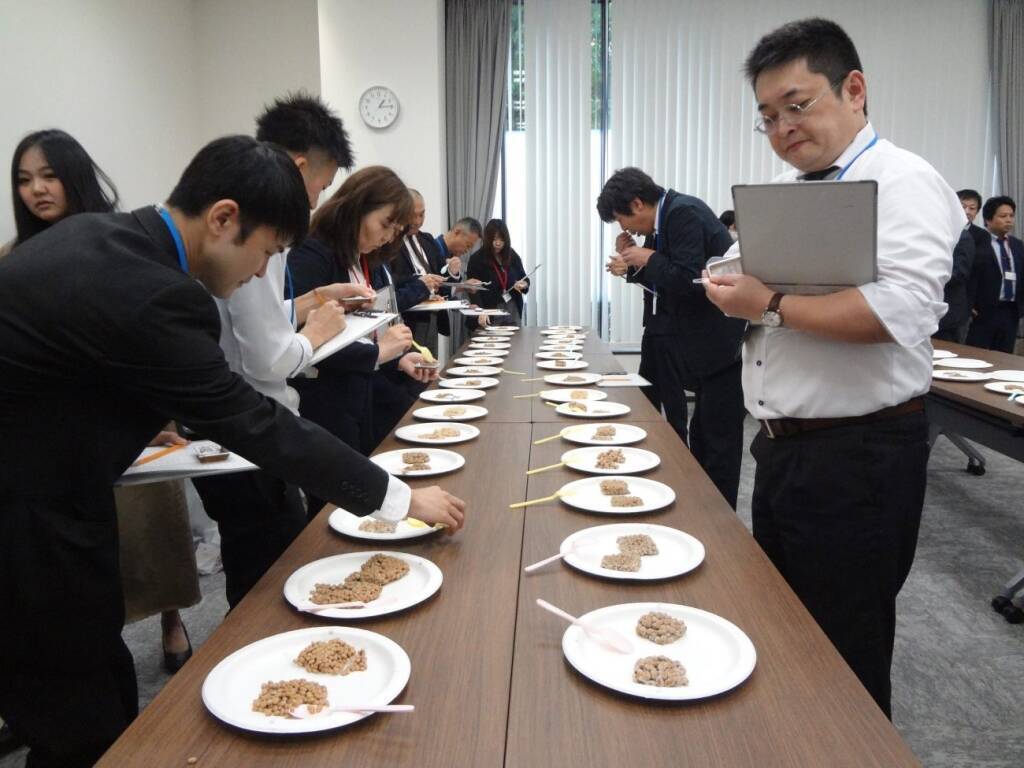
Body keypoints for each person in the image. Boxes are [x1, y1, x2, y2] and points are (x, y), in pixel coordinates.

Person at [0, 135, 465, 768]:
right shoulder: (158, 292)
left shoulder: (110, 242)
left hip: (49, 501)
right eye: (265, 254)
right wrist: (400, 498)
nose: (257, 275)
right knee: (82, 726)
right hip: (27, 526)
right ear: (223, 218)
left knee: (97, 694)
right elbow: (255, 422)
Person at [704, 18, 961, 718]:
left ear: (854, 89)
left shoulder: (902, 180)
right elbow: (777, 289)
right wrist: (742, 289)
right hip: (786, 451)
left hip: (858, 457)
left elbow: (901, 312)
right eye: (767, 117)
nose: (783, 127)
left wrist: (772, 302)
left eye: (797, 104)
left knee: (845, 651)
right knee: (788, 634)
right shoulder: (801, 188)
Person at [7, 129, 200, 673]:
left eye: (49, 176)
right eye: (24, 181)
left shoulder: (120, 245)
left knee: (153, 528)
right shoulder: (14, 260)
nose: (37, 190)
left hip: (137, 422)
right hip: (61, 445)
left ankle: (171, 618)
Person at [190, 92, 368, 608]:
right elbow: (265, 355)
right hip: (248, 431)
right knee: (269, 581)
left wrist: (313, 300)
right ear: (296, 167)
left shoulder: (244, 219)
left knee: (262, 562)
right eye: (319, 185)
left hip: (241, 430)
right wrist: (317, 335)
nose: (315, 202)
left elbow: (252, 321)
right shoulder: (254, 226)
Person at [599, 167, 747, 508]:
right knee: (701, 436)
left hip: (719, 344)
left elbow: (688, 279)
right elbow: (663, 283)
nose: (624, 228)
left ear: (637, 203)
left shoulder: (683, 214)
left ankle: (719, 521)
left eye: (621, 219)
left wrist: (647, 257)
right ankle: (697, 506)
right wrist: (633, 264)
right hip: (692, 341)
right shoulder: (662, 222)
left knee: (717, 443)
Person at [287, 166, 433, 467]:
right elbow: (307, 339)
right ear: (358, 207)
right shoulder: (313, 253)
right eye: (385, 225)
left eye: (395, 231)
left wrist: (397, 358)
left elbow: (371, 327)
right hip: (325, 403)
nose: (387, 237)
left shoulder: (365, 258)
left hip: (359, 394)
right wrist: (380, 353)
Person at [391, 189, 451, 355]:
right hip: (408, 318)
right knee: (412, 371)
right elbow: (391, 281)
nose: (418, 221)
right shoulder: (389, 243)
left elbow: (441, 275)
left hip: (432, 315)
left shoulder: (427, 240)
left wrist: (450, 275)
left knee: (430, 368)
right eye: (413, 215)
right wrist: (419, 281)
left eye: (422, 215)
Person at [965, 196, 1023, 352]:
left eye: (1011, 216)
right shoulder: (976, 241)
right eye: (1003, 216)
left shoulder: (1018, 245)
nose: (1009, 220)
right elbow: (967, 275)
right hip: (983, 312)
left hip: (1010, 312)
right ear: (988, 220)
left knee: (1004, 358)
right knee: (976, 356)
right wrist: (969, 304)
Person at [466, 218, 530, 325]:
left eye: (501, 239)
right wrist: (480, 312)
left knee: (514, 339)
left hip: (512, 308)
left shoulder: (511, 255)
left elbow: (524, 278)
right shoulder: (477, 259)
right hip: (489, 310)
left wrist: (524, 284)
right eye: (494, 239)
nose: (498, 243)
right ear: (487, 239)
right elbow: (474, 291)